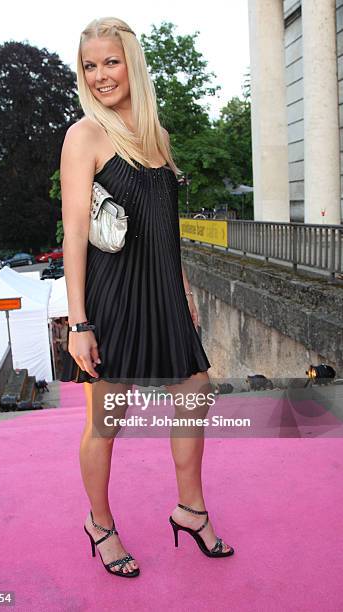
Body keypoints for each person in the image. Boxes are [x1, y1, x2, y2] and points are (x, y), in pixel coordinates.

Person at [60, 16, 234, 579]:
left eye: (110, 61)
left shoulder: (156, 136)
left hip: (162, 292)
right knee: (108, 418)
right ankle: (100, 524)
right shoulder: (84, 135)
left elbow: (166, 229)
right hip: (113, 298)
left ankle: (189, 509)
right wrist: (78, 323)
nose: (100, 74)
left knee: (195, 386)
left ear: (131, 63)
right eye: (90, 65)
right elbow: (74, 237)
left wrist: (182, 293)